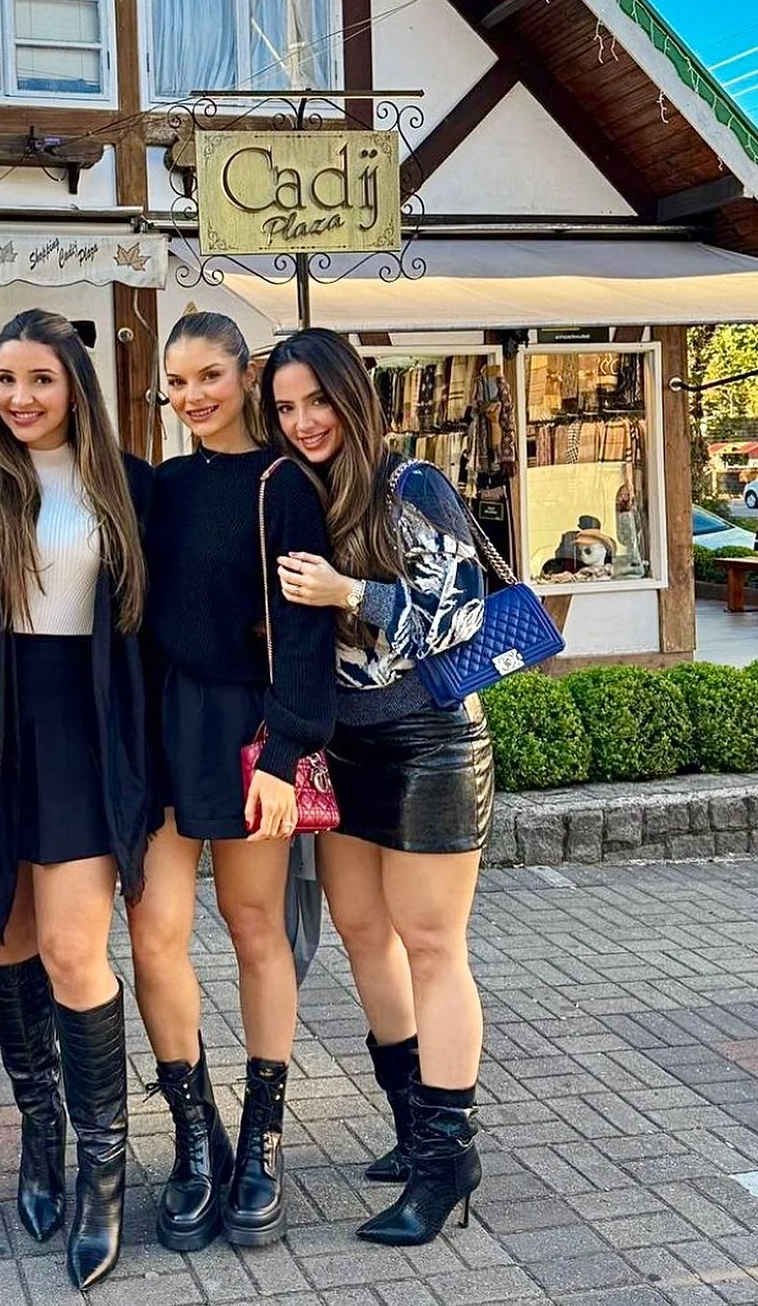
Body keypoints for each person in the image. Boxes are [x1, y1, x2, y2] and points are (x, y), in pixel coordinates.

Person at [0, 309, 157, 1293]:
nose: (19, 398)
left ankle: (103, 1170)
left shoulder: (127, 484)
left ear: (75, 385)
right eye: (5, 379)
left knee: (73, 948)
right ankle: (41, 1133)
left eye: (40, 379)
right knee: (8, 935)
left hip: (83, 730)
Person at [260, 329, 493, 1247]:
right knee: (362, 933)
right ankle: (409, 1124)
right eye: (285, 407)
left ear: (352, 397)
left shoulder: (410, 485)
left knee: (431, 944)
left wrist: (347, 593)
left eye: (316, 400)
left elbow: (459, 613)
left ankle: (446, 1160)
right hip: (344, 747)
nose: (302, 420)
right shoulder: (296, 493)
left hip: (431, 740)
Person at [131, 310, 336, 1252]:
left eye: (208, 376)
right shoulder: (161, 485)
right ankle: (194, 1138)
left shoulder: (282, 485)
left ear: (244, 375)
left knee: (255, 928)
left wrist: (288, 758)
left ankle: (262, 1136)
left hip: (250, 733)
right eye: (176, 383)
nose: (192, 397)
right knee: (154, 938)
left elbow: (305, 632)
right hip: (165, 728)